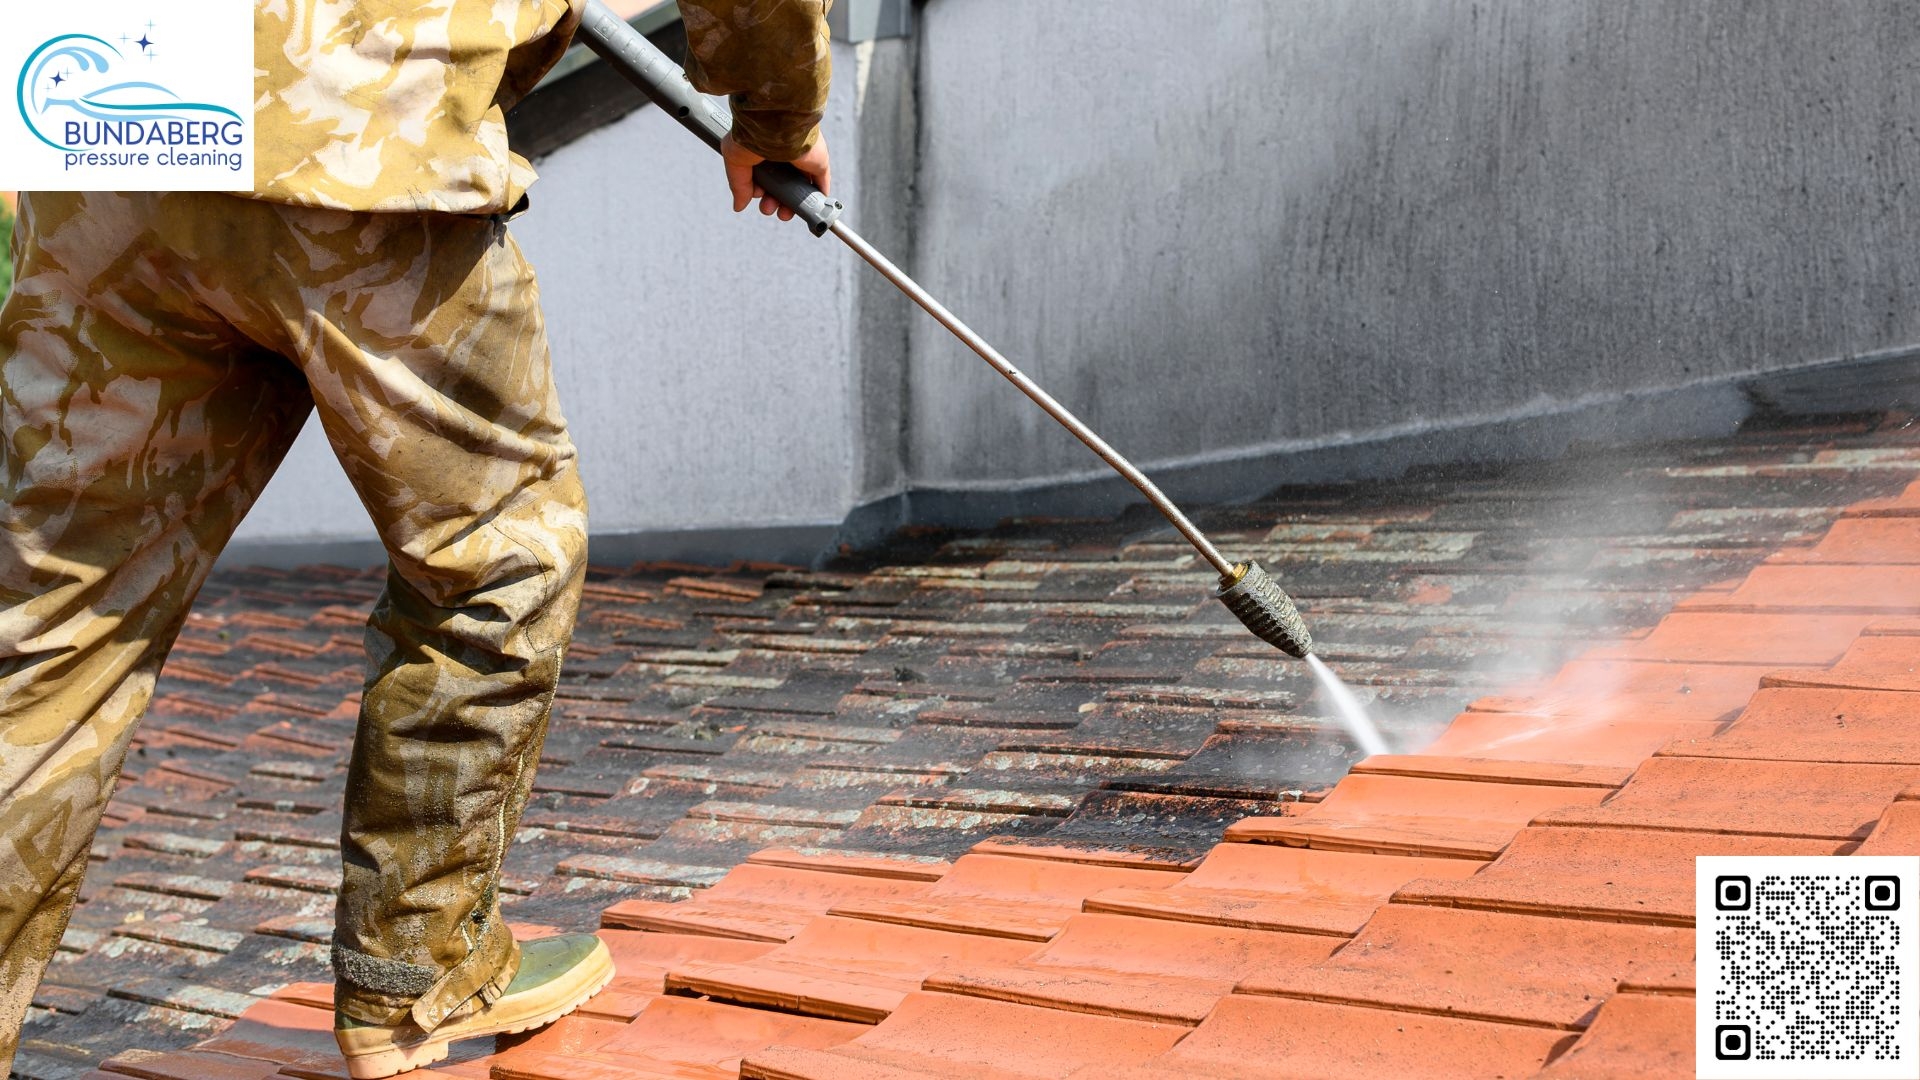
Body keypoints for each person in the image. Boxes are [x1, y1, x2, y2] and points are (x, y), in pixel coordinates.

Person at [0, 2, 832, 1076]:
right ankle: (416, 970)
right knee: (498, 556)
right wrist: (777, 116)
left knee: (49, 615)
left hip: (117, 123)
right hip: (355, 118)